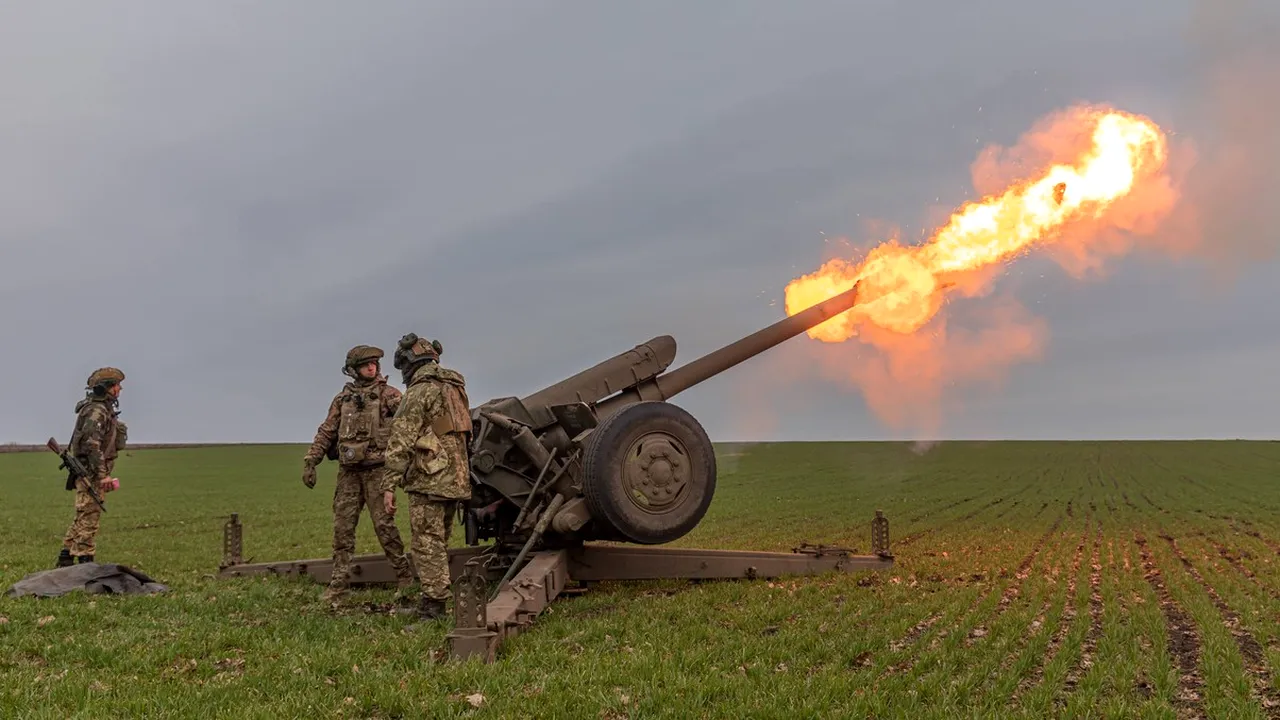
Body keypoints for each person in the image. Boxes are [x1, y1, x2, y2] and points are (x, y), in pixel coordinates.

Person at [302, 345, 415, 604]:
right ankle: (338, 585)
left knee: (385, 528)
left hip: (378, 472)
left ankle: (405, 577)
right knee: (343, 530)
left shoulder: (389, 395)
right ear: (353, 369)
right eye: (366, 364)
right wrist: (311, 460)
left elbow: (408, 425)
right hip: (349, 474)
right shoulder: (342, 400)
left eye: (374, 363)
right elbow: (327, 431)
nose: (372, 367)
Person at [381, 333, 472, 620]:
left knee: (426, 544)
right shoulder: (455, 387)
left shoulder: (420, 390)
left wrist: (388, 485)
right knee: (439, 541)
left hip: (430, 478)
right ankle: (434, 598)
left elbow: (401, 439)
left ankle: (434, 609)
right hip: (456, 477)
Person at [57, 367, 128, 567]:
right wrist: (103, 475)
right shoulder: (97, 411)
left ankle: (66, 557)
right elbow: (92, 444)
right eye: (117, 385)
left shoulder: (102, 409)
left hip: (91, 471)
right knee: (89, 517)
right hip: (91, 473)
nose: (120, 389)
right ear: (107, 388)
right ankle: (85, 562)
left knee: (83, 515)